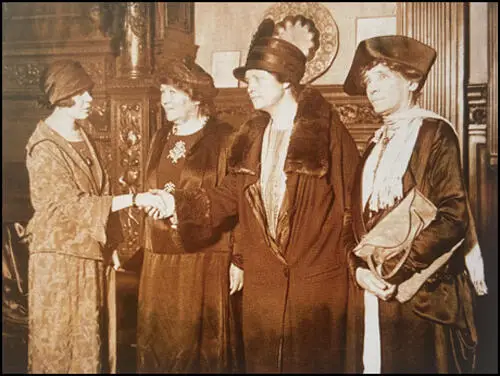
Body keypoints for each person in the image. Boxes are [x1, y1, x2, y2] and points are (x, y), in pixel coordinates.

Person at [150, 17, 360, 373]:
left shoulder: (327, 135)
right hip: (264, 283)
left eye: (258, 80)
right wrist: (178, 203)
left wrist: (350, 268)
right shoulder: (251, 137)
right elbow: (228, 194)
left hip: (316, 284)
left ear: (287, 81)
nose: (249, 87)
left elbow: (352, 207)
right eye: (247, 80)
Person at [343, 35, 488, 373]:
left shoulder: (435, 134)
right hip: (373, 296)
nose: (371, 89)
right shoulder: (374, 143)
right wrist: (360, 271)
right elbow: (352, 222)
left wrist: (396, 269)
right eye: (367, 81)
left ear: (412, 81)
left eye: (381, 77)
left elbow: (454, 217)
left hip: (423, 297)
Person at [25, 59, 167, 373]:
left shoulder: (82, 135)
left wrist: (112, 245)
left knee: (90, 345)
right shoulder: (44, 147)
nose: (91, 99)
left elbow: (98, 193)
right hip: (58, 262)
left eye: (89, 92)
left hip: (88, 256)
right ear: (61, 97)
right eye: (82, 93)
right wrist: (134, 199)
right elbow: (73, 204)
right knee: (60, 345)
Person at [135, 57, 244, 373]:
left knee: (200, 351)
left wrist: (239, 260)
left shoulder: (225, 138)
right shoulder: (160, 137)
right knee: (159, 347)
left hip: (205, 257)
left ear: (197, 97)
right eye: (163, 91)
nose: (164, 99)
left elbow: (237, 202)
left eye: (172, 92)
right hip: (159, 256)